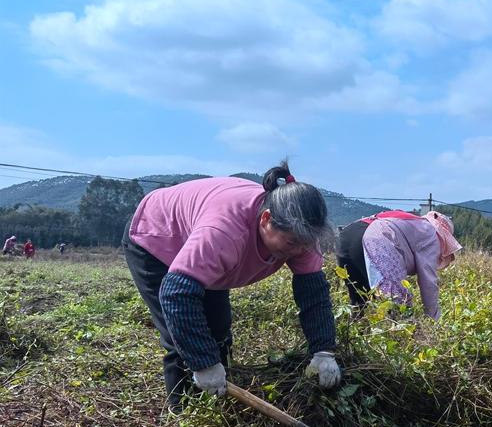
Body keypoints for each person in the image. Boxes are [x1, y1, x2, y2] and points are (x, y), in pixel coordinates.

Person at [123, 161, 342, 411]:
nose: (299, 251)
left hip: (205, 249)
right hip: (158, 236)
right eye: (292, 243)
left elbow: (313, 295)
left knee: (219, 332)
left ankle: (218, 405)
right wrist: (202, 363)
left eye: (305, 244)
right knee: (182, 342)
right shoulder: (224, 232)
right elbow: (177, 294)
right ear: (266, 219)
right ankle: (182, 418)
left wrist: (323, 351)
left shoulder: (301, 236)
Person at [336, 210, 461, 320]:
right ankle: (402, 341)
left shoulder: (413, 223)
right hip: (375, 238)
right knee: (398, 305)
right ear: (445, 235)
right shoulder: (432, 234)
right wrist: (433, 318)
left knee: (359, 303)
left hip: (348, 235)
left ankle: (353, 340)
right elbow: (428, 282)